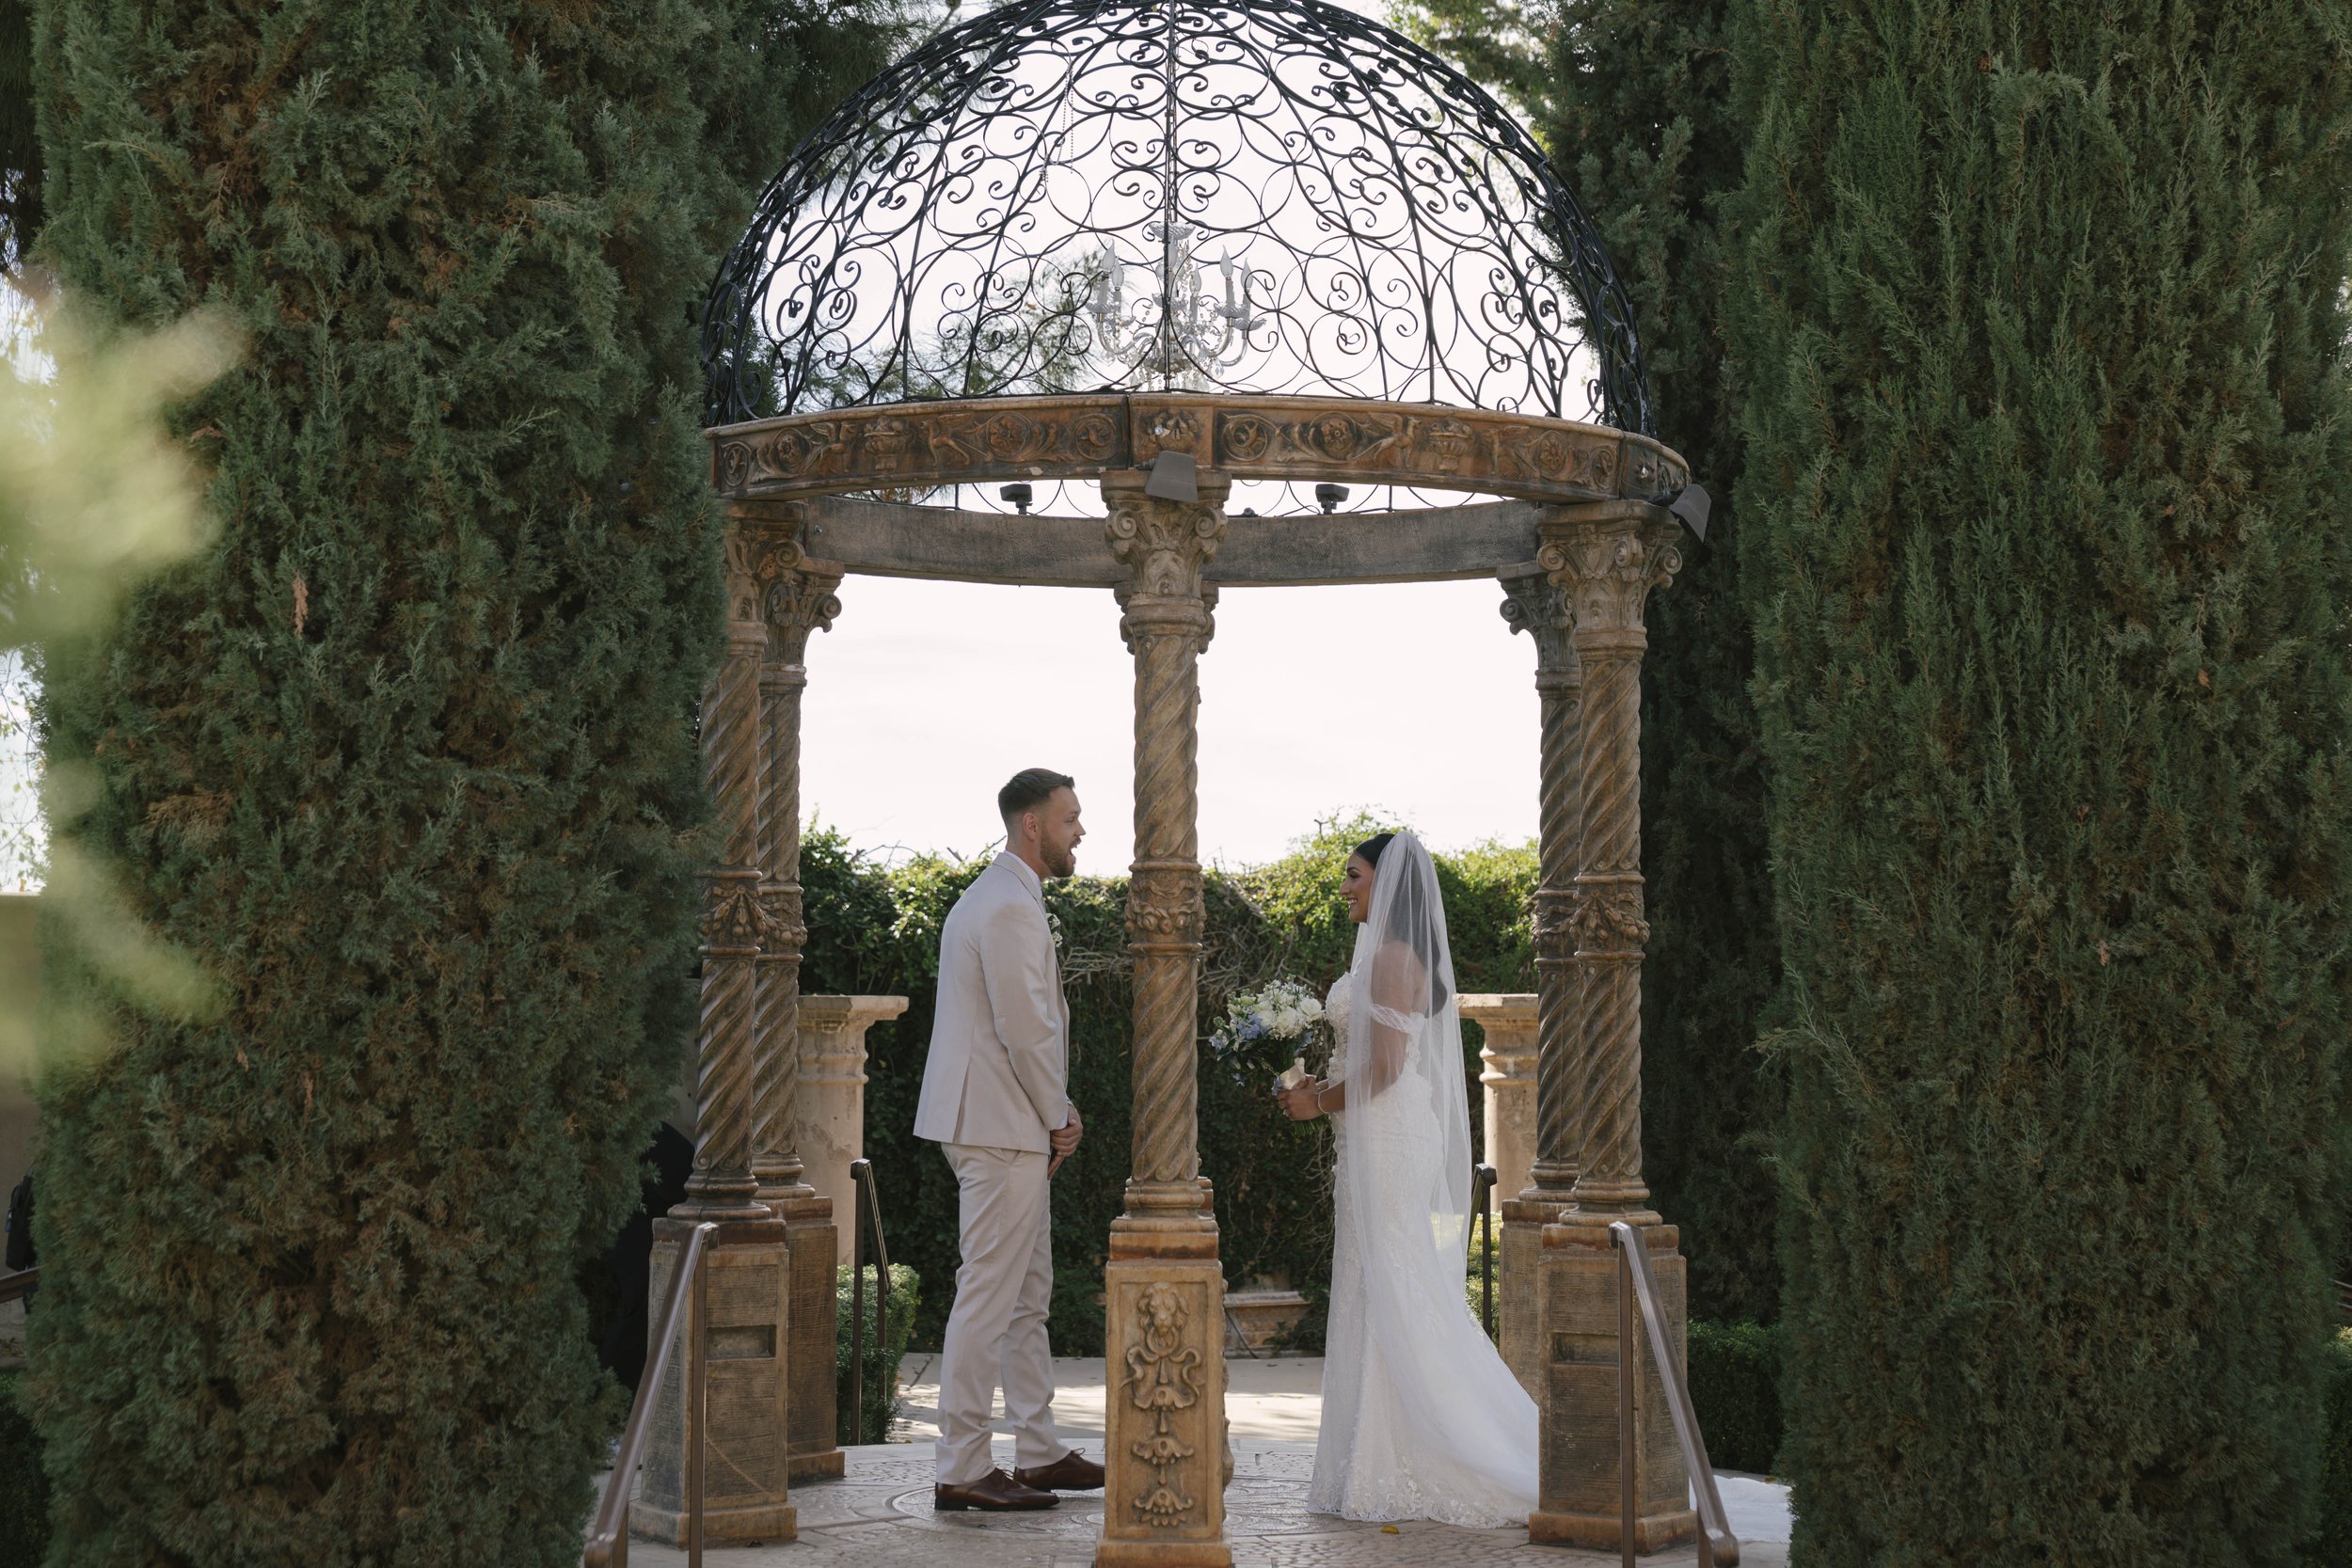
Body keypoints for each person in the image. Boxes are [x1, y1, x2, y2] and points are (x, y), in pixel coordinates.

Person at [1276, 830, 1539, 1527]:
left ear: (1386, 882)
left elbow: (1388, 1067)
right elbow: (1372, 1054)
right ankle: (1371, 1462)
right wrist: (1317, 1086)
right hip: (1373, 1132)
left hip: (1388, 1138)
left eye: (1355, 875)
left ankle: (1407, 1464)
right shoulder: (1383, 952)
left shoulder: (1393, 955)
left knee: (1391, 1283)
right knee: (1377, 1284)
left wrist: (1318, 1102)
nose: (1345, 887)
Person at [914, 768, 1104, 1512]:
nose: (1080, 830)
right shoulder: (1007, 907)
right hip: (998, 1127)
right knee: (989, 1296)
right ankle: (961, 1463)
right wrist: (1058, 1113)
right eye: (1071, 818)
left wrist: (1052, 1111)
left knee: (1026, 1297)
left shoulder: (999, 896)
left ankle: (1038, 1449)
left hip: (1006, 1122)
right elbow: (1024, 1028)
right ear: (1034, 824)